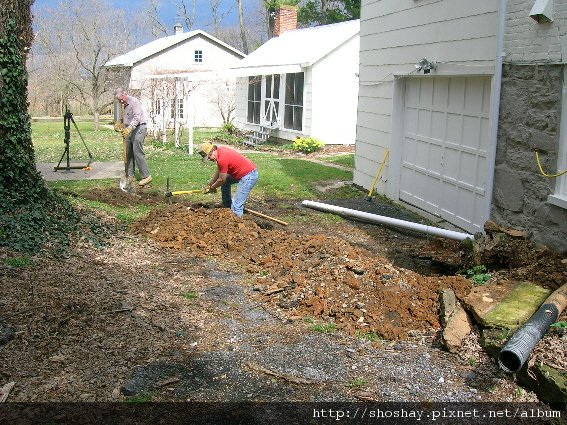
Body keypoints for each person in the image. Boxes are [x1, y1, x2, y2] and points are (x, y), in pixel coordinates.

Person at [198, 142, 258, 218]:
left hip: (249, 176)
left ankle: (236, 223)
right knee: (226, 182)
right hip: (241, 174)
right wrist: (210, 184)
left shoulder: (222, 158)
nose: (209, 159)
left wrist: (212, 188)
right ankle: (226, 204)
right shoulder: (220, 151)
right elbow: (219, 171)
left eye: (209, 156)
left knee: (236, 205)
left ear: (213, 150)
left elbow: (221, 179)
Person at [114, 87, 152, 186]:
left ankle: (146, 176)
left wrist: (128, 128)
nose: (121, 101)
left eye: (121, 98)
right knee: (128, 152)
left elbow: (137, 117)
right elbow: (125, 117)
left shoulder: (134, 101)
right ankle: (130, 175)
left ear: (125, 94)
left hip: (139, 128)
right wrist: (119, 122)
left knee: (137, 152)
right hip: (129, 129)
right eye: (119, 100)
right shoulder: (123, 105)